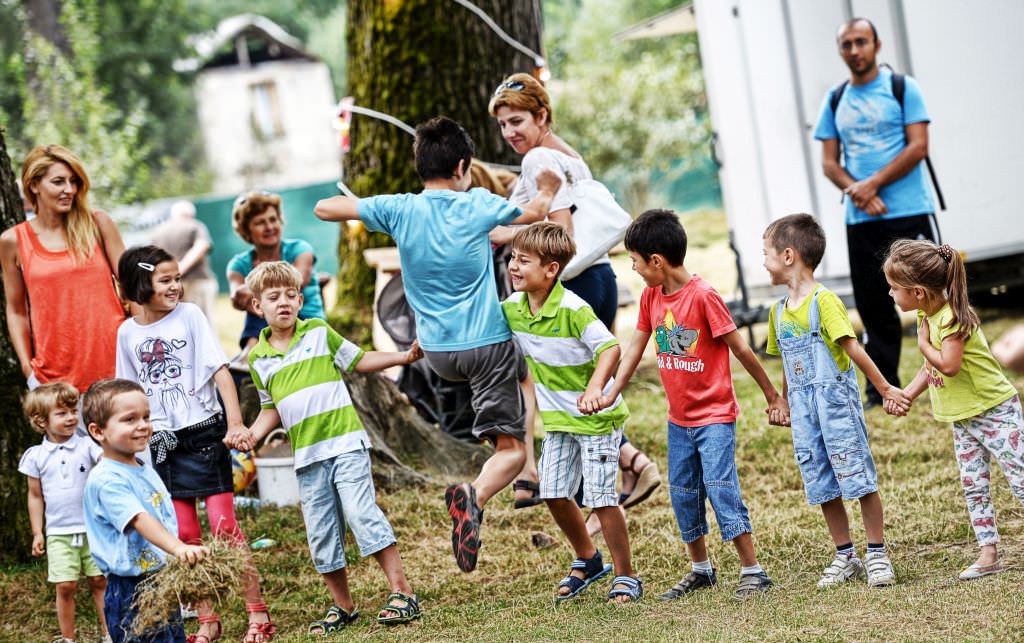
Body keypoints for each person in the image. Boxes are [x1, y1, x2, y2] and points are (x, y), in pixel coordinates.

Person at [313, 116, 561, 573]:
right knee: (514, 451)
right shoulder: (478, 204)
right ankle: (475, 495)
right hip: (486, 344)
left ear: (419, 167)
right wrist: (546, 183)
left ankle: (489, 458)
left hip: (437, 355)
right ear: (463, 165)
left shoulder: (399, 208)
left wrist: (367, 206)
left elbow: (325, 210)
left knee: (512, 386)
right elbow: (537, 210)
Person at [489, 72, 661, 527]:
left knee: (572, 398)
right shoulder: (565, 156)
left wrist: (504, 232)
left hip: (573, 283)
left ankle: (623, 477)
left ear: (541, 116)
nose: (510, 133)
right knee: (580, 392)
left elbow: (561, 234)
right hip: (598, 276)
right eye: (503, 124)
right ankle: (624, 477)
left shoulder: (537, 160)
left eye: (518, 120)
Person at [597, 209, 788, 601]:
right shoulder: (652, 295)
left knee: (721, 487)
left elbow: (741, 349)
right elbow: (635, 348)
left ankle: (753, 569)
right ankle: (701, 570)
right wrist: (613, 390)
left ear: (657, 261)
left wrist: (772, 395)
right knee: (683, 491)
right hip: (679, 419)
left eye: (634, 260)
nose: (632, 267)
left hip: (715, 416)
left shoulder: (703, 296)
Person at [238, 261, 422, 631]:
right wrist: (251, 435)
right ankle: (343, 606)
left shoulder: (319, 333)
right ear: (258, 307)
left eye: (292, 294)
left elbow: (359, 360)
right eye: (274, 297)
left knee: (361, 514)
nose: (285, 302)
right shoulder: (258, 359)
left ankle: (403, 593)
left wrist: (403, 357)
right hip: (307, 458)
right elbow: (270, 408)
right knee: (321, 533)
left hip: (345, 445)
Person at [114, 245, 274, 642]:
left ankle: (258, 614)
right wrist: (133, 447)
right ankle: (207, 619)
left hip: (205, 434)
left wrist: (234, 423)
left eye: (177, 278)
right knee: (185, 534)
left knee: (225, 528)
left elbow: (220, 371)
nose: (175, 287)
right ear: (139, 286)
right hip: (162, 444)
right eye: (164, 280)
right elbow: (129, 392)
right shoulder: (127, 332)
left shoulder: (190, 316)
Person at [501, 222, 641, 603]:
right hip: (559, 422)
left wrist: (596, 388)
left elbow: (610, 349)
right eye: (513, 257)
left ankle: (626, 575)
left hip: (596, 420)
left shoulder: (573, 308)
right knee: (554, 492)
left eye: (523, 260)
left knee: (600, 496)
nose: (514, 266)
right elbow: (483, 332)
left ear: (551, 269)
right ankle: (588, 558)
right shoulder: (513, 308)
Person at [762, 214, 905, 588]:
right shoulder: (777, 312)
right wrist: (784, 401)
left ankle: (876, 552)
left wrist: (885, 387)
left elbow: (852, 348)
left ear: (789, 255)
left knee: (857, 475)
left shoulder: (825, 302)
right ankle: (846, 555)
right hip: (806, 412)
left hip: (835, 406)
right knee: (822, 480)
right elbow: (788, 364)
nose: (763, 261)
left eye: (767, 253)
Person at [815, 17, 937, 408]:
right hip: (862, 219)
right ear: (840, 51)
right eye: (846, 44)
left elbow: (918, 146)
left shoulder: (902, 88)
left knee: (933, 298)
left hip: (910, 212)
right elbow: (829, 163)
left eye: (861, 42)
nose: (854, 50)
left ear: (877, 45)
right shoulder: (835, 99)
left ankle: (947, 372)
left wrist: (872, 184)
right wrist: (860, 193)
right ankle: (882, 388)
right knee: (873, 304)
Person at [884, 240, 1024, 580]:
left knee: (1020, 479)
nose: (890, 294)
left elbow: (947, 365)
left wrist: (922, 344)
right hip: (962, 418)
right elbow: (928, 368)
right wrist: (908, 394)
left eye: (894, 288)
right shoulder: (926, 314)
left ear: (917, 292)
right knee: (974, 485)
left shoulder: (951, 319)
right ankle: (988, 553)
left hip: (994, 412)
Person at [82, 378, 208, 643]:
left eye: (146, 417)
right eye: (129, 419)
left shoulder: (142, 467)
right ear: (97, 431)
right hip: (132, 590)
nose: (142, 425)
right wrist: (179, 548)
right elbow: (139, 518)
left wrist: (173, 562)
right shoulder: (107, 479)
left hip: (158, 578)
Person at [1, 145, 126, 401]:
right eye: (58, 182)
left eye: (74, 181)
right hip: (56, 381)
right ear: (34, 185)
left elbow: (133, 289)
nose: (69, 189)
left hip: (118, 368)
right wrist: (28, 368)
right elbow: (16, 310)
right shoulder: (13, 240)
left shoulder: (98, 224)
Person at [18, 382, 109, 643]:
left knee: (100, 580)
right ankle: (69, 638)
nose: (71, 417)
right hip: (59, 532)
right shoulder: (35, 456)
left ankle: (109, 632)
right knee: (65, 585)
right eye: (62, 413)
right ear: (41, 420)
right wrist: (38, 532)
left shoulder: (88, 446)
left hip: (93, 527)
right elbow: (35, 496)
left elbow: (105, 462)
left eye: (73, 410)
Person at [227, 191, 326, 366]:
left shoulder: (300, 249)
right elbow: (236, 297)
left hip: (305, 320)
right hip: (266, 326)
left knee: (271, 297)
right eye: (260, 222)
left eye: (273, 219)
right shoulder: (238, 264)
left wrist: (255, 290)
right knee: (261, 302)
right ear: (246, 230)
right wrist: (242, 296)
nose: (269, 227)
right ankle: (251, 350)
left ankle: (251, 352)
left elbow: (297, 282)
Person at [150, 200, 218, 321]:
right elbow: (202, 246)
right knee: (203, 323)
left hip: (169, 286)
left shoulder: (158, 231)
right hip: (197, 280)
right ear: (190, 214)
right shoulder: (195, 225)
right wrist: (180, 269)